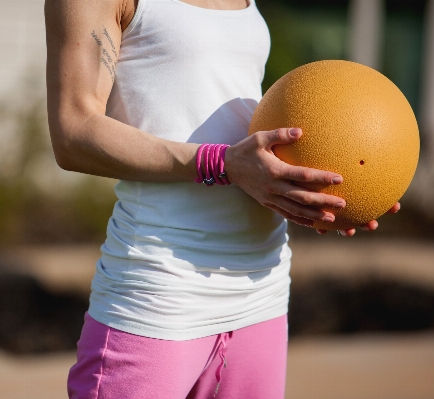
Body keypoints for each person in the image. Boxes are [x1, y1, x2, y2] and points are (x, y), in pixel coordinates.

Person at [44, 0, 399, 397]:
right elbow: (73, 133)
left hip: (261, 289)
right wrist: (222, 163)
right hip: (160, 292)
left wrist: (320, 192)